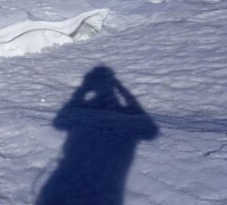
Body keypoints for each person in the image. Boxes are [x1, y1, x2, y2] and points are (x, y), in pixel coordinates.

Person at [37, 66, 158, 205]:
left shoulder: (86, 111)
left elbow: (59, 122)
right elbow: (150, 131)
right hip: (107, 190)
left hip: (72, 179)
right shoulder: (120, 114)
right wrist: (121, 89)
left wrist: (83, 89)